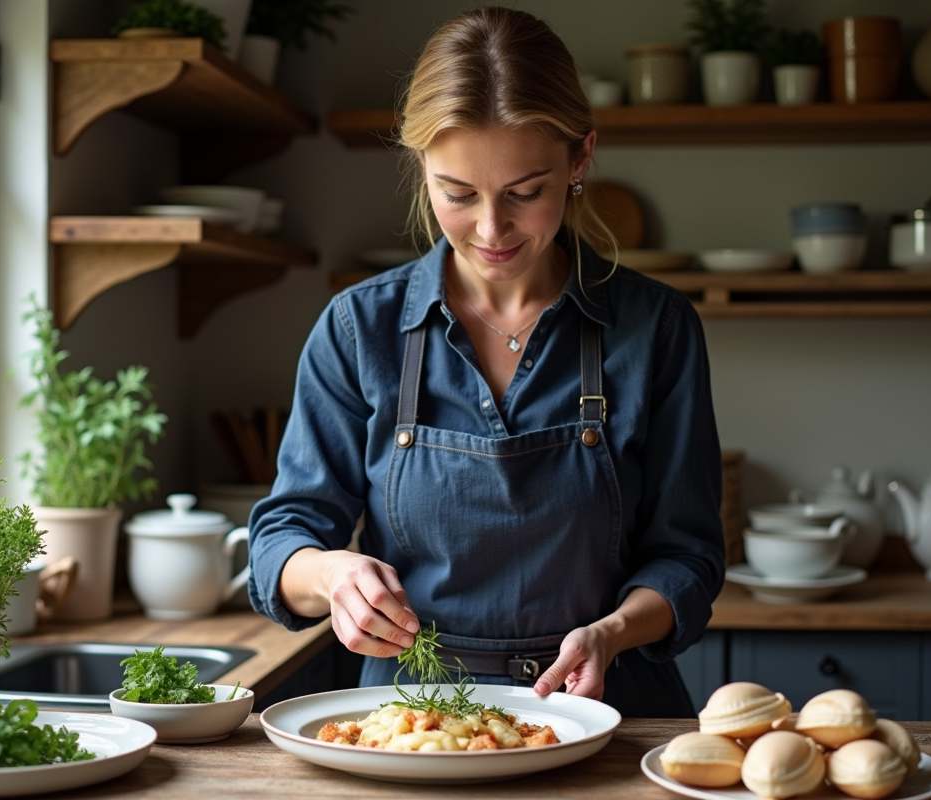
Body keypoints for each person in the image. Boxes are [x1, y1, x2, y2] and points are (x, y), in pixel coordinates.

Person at [247, 6, 725, 718]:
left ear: (580, 159)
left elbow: (688, 558)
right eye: (458, 194)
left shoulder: (656, 328)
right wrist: (329, 573)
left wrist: (614, 631)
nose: (492, 230)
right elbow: (282, 538)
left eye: (525, 193)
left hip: (608, 715)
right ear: (421, 168)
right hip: (410, 722)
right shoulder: (358, 328)